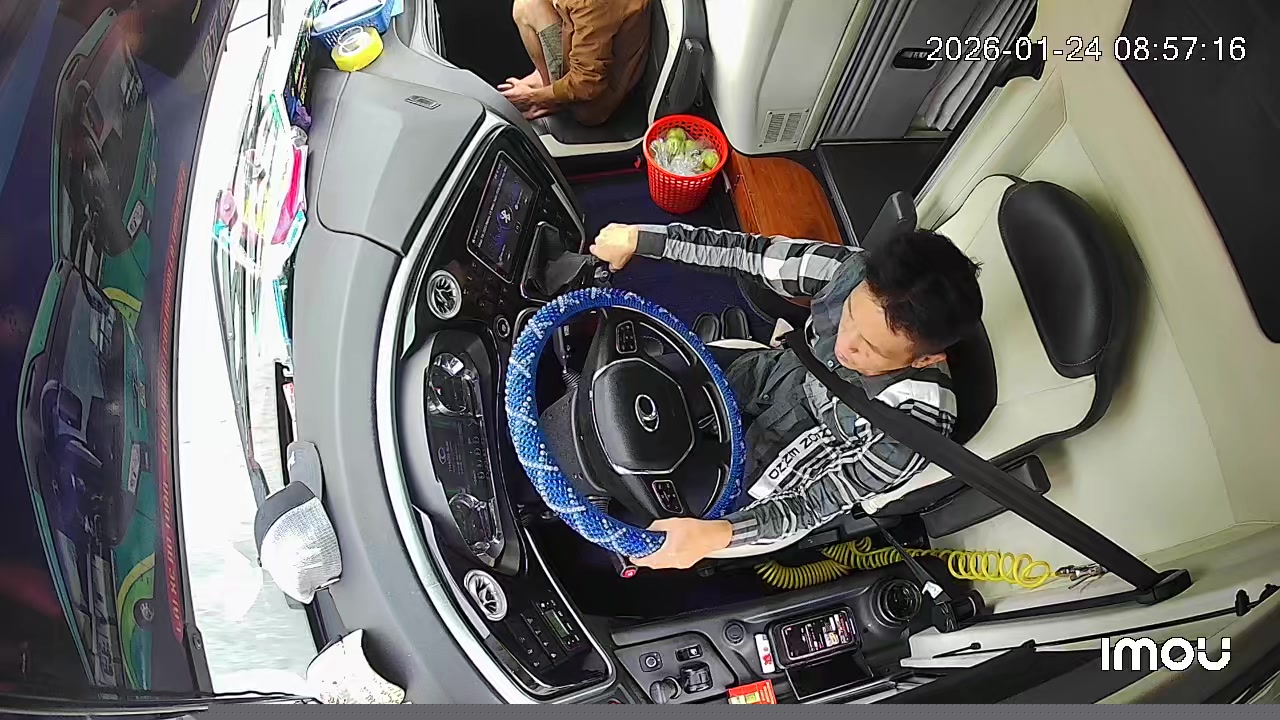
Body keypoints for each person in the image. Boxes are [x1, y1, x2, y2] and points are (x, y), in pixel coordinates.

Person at [588, 222, 983, 570]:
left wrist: (715, 535)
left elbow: (813, 504)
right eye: (849, 315)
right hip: (771, 373)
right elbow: (747, 253)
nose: (844, 345)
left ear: (926, 359)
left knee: (660, 525)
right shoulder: (848, 271)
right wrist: (641, 239)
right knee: (640, 386)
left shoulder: (912, 430)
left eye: (871, 348)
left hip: (792, 463)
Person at [499, 0, 651, 125]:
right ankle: (548, 79)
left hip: (593, 99)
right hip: (587, 47)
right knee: (530, 4)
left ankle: (553, 96)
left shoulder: (593, 4)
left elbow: (587, 84)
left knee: (526, 6)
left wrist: (533, 97)